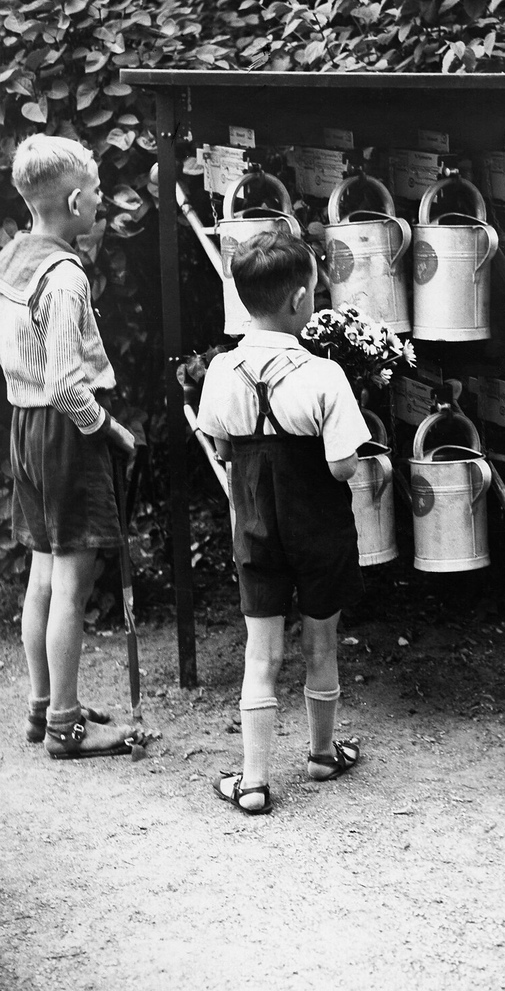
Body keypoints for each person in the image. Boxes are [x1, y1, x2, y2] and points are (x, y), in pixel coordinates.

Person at [197, 232, 371, 814]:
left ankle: (251, 782)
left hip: (256, 527)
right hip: (320, 529)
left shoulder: (221, 371)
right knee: (322, 644)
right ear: (301, 298)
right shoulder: (324, 376)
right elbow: (343, 465)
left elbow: (222, 446)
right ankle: (322, 755)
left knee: (260, 654)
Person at [0, 134, 141, 758]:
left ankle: (41, 707)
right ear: (77, 200)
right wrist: (109, 430)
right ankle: (66, 725)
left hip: (23, 428)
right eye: (99, 194)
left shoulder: (13, 256)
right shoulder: (63, 278)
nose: (104, 201)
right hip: (63, 433)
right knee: (72, 583)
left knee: (42, 572)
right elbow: (64, 385)